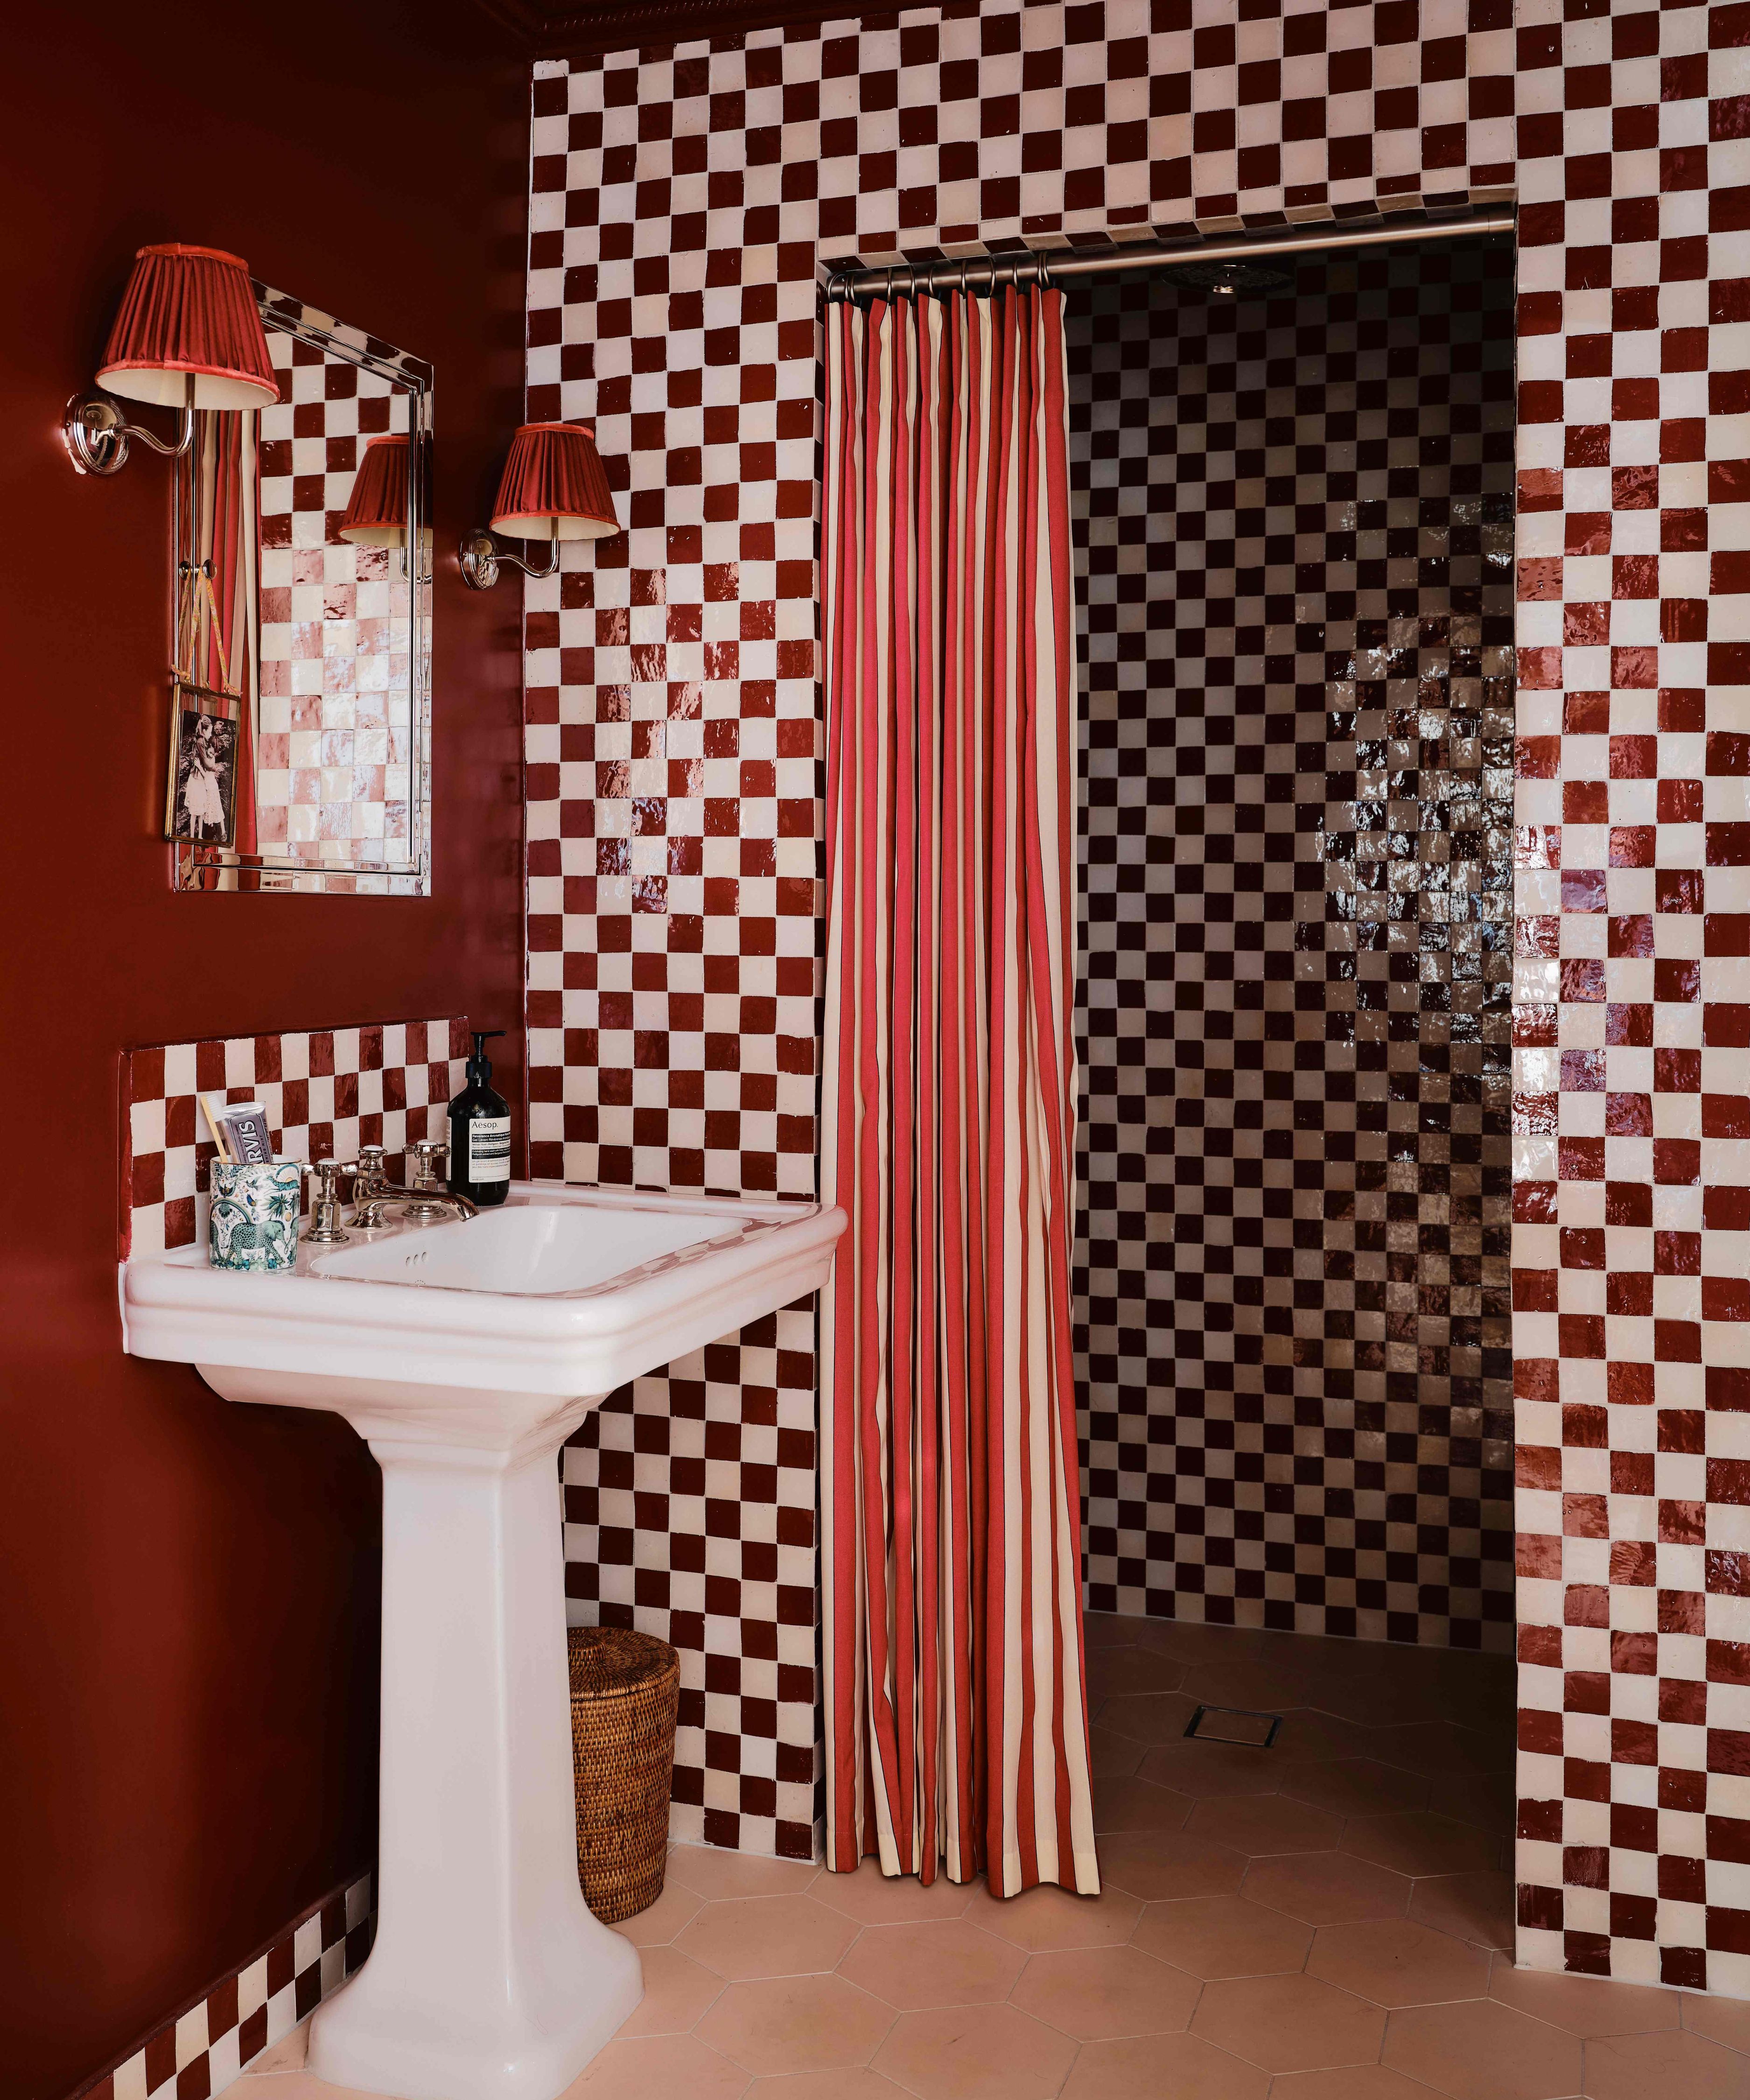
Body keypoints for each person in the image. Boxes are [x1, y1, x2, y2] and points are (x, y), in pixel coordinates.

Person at [180, 714, 230, 839]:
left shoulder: (203, 743)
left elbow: (207, 763)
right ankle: (197, 835)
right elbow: (206, 764)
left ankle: (205, 834)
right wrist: (213, 767)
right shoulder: (201, 742)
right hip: (198, 778)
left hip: (203, 780)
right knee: (198, 809)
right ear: (204, 730)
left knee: (203, 809)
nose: (210, 735)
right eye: (209, 732)